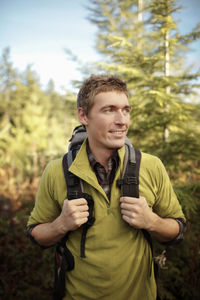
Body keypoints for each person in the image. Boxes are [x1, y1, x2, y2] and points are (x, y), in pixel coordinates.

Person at [27, 74, 186, 300]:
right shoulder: (56, 171)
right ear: (83, 116)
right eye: (109, 110)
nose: (122, 120)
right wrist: (60, 224)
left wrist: (152, 221)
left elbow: (178, 231)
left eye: (126, 110)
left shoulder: (151, 166)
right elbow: (35, 233)